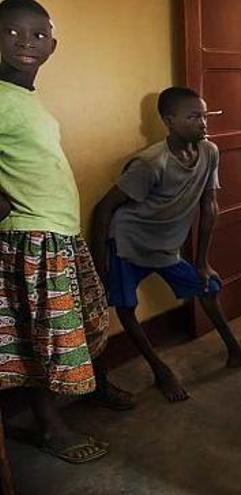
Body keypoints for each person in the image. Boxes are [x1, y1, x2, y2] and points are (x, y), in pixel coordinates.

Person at [0, 0, 133, 464]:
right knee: (41, 338)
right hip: (33, 237)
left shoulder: (22, 97)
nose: (26, 42)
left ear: (52, 46)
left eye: (38, 35)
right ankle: (50, 427)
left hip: (58, 234)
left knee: (83, 324)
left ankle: (87, 390)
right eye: (12, 32)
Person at [91, 86, 241, 403]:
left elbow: (209, 206)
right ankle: (160, 370)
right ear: (168, 121)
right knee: (126, 307)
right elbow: (104, 209)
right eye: (192, 117)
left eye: (204, 115)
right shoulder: (150, 164)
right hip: (128, 243)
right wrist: (100, 265)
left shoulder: (209, 152)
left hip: (165, 247)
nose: (203, 123)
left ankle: (234, 350)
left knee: (208, 286)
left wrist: (202, 261)